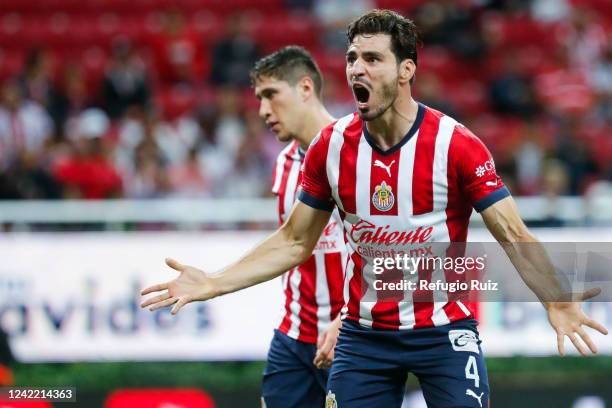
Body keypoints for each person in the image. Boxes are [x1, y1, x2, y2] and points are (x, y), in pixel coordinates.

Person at [141, 10, 608, 408]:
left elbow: (514, 234)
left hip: (443, 331)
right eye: (350, 59)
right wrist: (215, 282)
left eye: (372, 59)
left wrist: (555, 298)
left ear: (406, 70)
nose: (356, 70)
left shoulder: (454, 144)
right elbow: (294, 240)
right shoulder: (331, 147)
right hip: (364, 337)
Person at [144, 46, 347, 408]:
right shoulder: (285, 163)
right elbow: (291, 243)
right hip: (294, 336)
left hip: (353, 337)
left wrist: (351, 316)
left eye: (271, 95)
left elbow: (394, 248)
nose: (263, 110)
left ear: (305, 88)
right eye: (258, 98)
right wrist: (213, 280)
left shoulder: (358, 154)